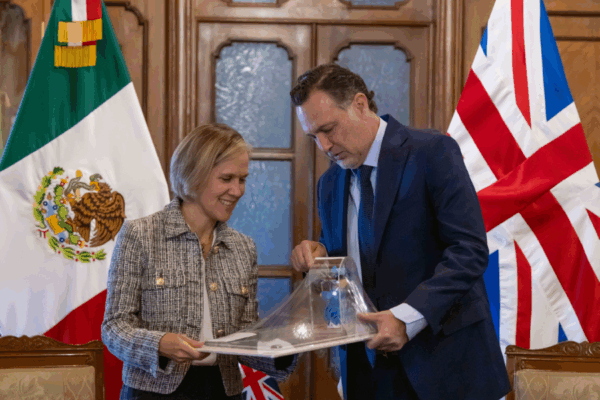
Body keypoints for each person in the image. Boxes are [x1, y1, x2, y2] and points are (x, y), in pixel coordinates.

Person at [290, 64, 510, 400]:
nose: (324, 146)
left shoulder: (432, 151)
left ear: (359, 104)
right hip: (368, 372)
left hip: (445, 367)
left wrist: (406, 319)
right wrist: (320, 255)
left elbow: (468, 251)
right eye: (313, 137)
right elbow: (353, 259)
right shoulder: (329, 184)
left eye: (329, 129)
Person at [102, 123, 296, 400]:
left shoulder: (244, 248)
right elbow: (114, 327)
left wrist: (287, 348)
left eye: (242, 179)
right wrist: (160, 344)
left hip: (223, 391)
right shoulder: (140, 235)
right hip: (151, 392)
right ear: (193, 175)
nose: (237, 190)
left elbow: (245, 337)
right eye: (226, 178)